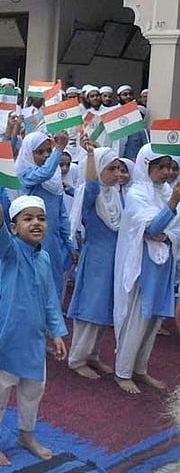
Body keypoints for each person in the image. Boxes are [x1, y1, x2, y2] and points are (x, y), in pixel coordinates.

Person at [0, 195, 68, 466]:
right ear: (15, 226)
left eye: (40, 218)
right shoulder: (12, 252)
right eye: (27, 219)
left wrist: (57, 332)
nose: (36, 223)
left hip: (34, 339)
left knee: (33, 390)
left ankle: (26, 435)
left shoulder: (45, 259)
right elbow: (1, 242)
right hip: (9, 336)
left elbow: (50, 298)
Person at [113, 144, 180, 394]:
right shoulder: (136, 194)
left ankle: (140, 369)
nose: (166, 172)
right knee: (138, 318)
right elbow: (152, 228)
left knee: (154, 319)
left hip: (165, 263)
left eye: (170, 167)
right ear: (145, 166)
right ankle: (123, 371)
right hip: (143, 265)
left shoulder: (165, 192)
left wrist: (168, 233)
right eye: (161, 167)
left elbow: (172, 229)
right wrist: (172, 204)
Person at [66, 140, 123, 379]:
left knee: (105, 308)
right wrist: (91, 155)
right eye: (111, 169)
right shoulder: (93, 195)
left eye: (119, 168)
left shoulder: (114, 196)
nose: (118, 174)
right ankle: (77, 358)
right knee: (90, 307)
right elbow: (90, 184)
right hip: (97, 258)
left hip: (113, 260)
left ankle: (93, 354)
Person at [15, 131, 78, 300]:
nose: (46, 155)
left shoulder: (55, 181)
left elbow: (62, 217)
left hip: (53, 245)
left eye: (48, 151)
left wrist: (71, 246)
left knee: (52, 290)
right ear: (29, 153)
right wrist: (59, 149)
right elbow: (45, 173)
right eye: (40, 152)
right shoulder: (26, 175)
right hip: (32, 243)